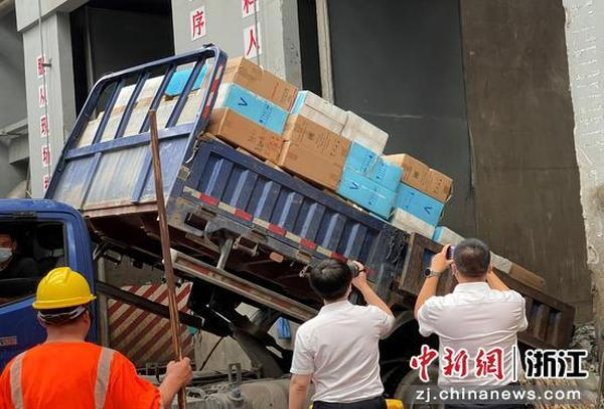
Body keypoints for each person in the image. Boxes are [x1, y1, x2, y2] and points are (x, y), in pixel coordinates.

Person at [0, 267, 192, 409]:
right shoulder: (110, 364)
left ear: (41, 320)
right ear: (86, 316)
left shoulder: (14, 370)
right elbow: (151, 407)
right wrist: (174, 379)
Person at [414, 238, 528, 409]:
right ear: (489, 267)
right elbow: (510, 298)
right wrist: (487, 270)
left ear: (454, 268)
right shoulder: (513, 302)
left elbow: (419, 312)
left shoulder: (440, 308)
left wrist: (434, 271)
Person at [289, 259, 395, 409]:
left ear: (316, 290)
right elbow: (389, 317)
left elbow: (300, 384)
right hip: (369, 404)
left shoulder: (308, 331)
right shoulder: (371, 317)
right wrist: (363, 285)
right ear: (349, 286)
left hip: (329, 405)